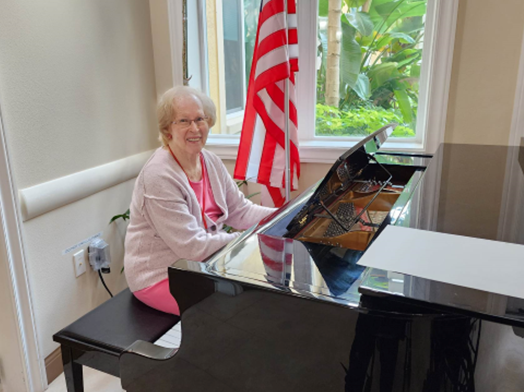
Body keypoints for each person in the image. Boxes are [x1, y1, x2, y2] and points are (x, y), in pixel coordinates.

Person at [124, 86, 276, 315]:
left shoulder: (210, 161)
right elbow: (192, 247)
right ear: (167, 130)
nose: (194, 128)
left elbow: (241, 211)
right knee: (239, 310)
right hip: (161, 275)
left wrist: (283, 215)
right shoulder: (158, 176)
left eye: (199, 119)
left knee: (265, 292)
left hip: (202, 264)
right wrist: (248, 240)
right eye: (183, 121)